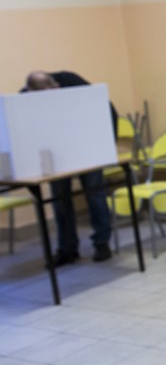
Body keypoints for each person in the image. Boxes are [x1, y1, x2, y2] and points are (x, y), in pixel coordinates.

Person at [23, 70, 116, 266]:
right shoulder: (25, 97)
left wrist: (108, 146)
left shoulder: (72, 82)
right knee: (59, 201)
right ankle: (67, 249)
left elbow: (106, 108)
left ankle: (102, 243)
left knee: (95, 195)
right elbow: (23, 131)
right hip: (57, 156)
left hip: (88, 148)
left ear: (56, 86)